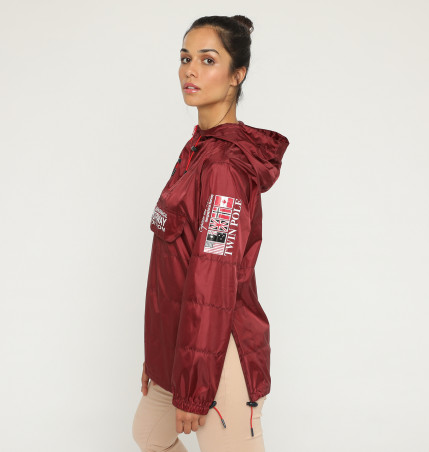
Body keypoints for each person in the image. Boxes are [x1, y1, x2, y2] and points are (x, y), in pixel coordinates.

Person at [132, 14, 289, 452]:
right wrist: (159, 357)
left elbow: (213, 279)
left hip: (219, 354)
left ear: (238, 75)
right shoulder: (198, 149)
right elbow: (174, 264)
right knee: (150, 434)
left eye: (207, 60)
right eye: (185, 58)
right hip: (182, 346)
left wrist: (195, 387)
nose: (190, 70)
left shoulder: (223, 167)